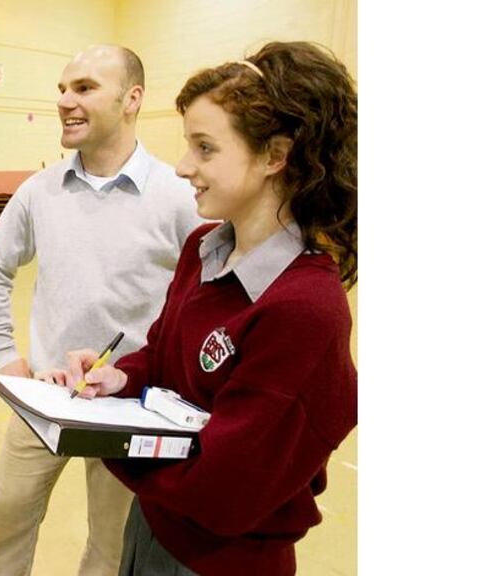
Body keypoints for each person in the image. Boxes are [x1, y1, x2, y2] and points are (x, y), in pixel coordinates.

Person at [50, 41, 358, 575]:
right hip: (154, 521)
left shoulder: (303, 309)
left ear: (274, 156)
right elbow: (164, 354)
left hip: (222, 558)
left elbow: (224, 491)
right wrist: (118, 380)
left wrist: (100, 436)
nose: (184, 166)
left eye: (205, 148)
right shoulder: (202, 249)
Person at [0, 45, 203, 576]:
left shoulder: (177, 196)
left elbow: (210, 294)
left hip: (129, 404)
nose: (64, 100)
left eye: (84, 88)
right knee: (5, 514)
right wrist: (8, 356)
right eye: (62, 88)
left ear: (132, 99)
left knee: (110, 540)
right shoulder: (40, 191)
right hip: (46, 395)